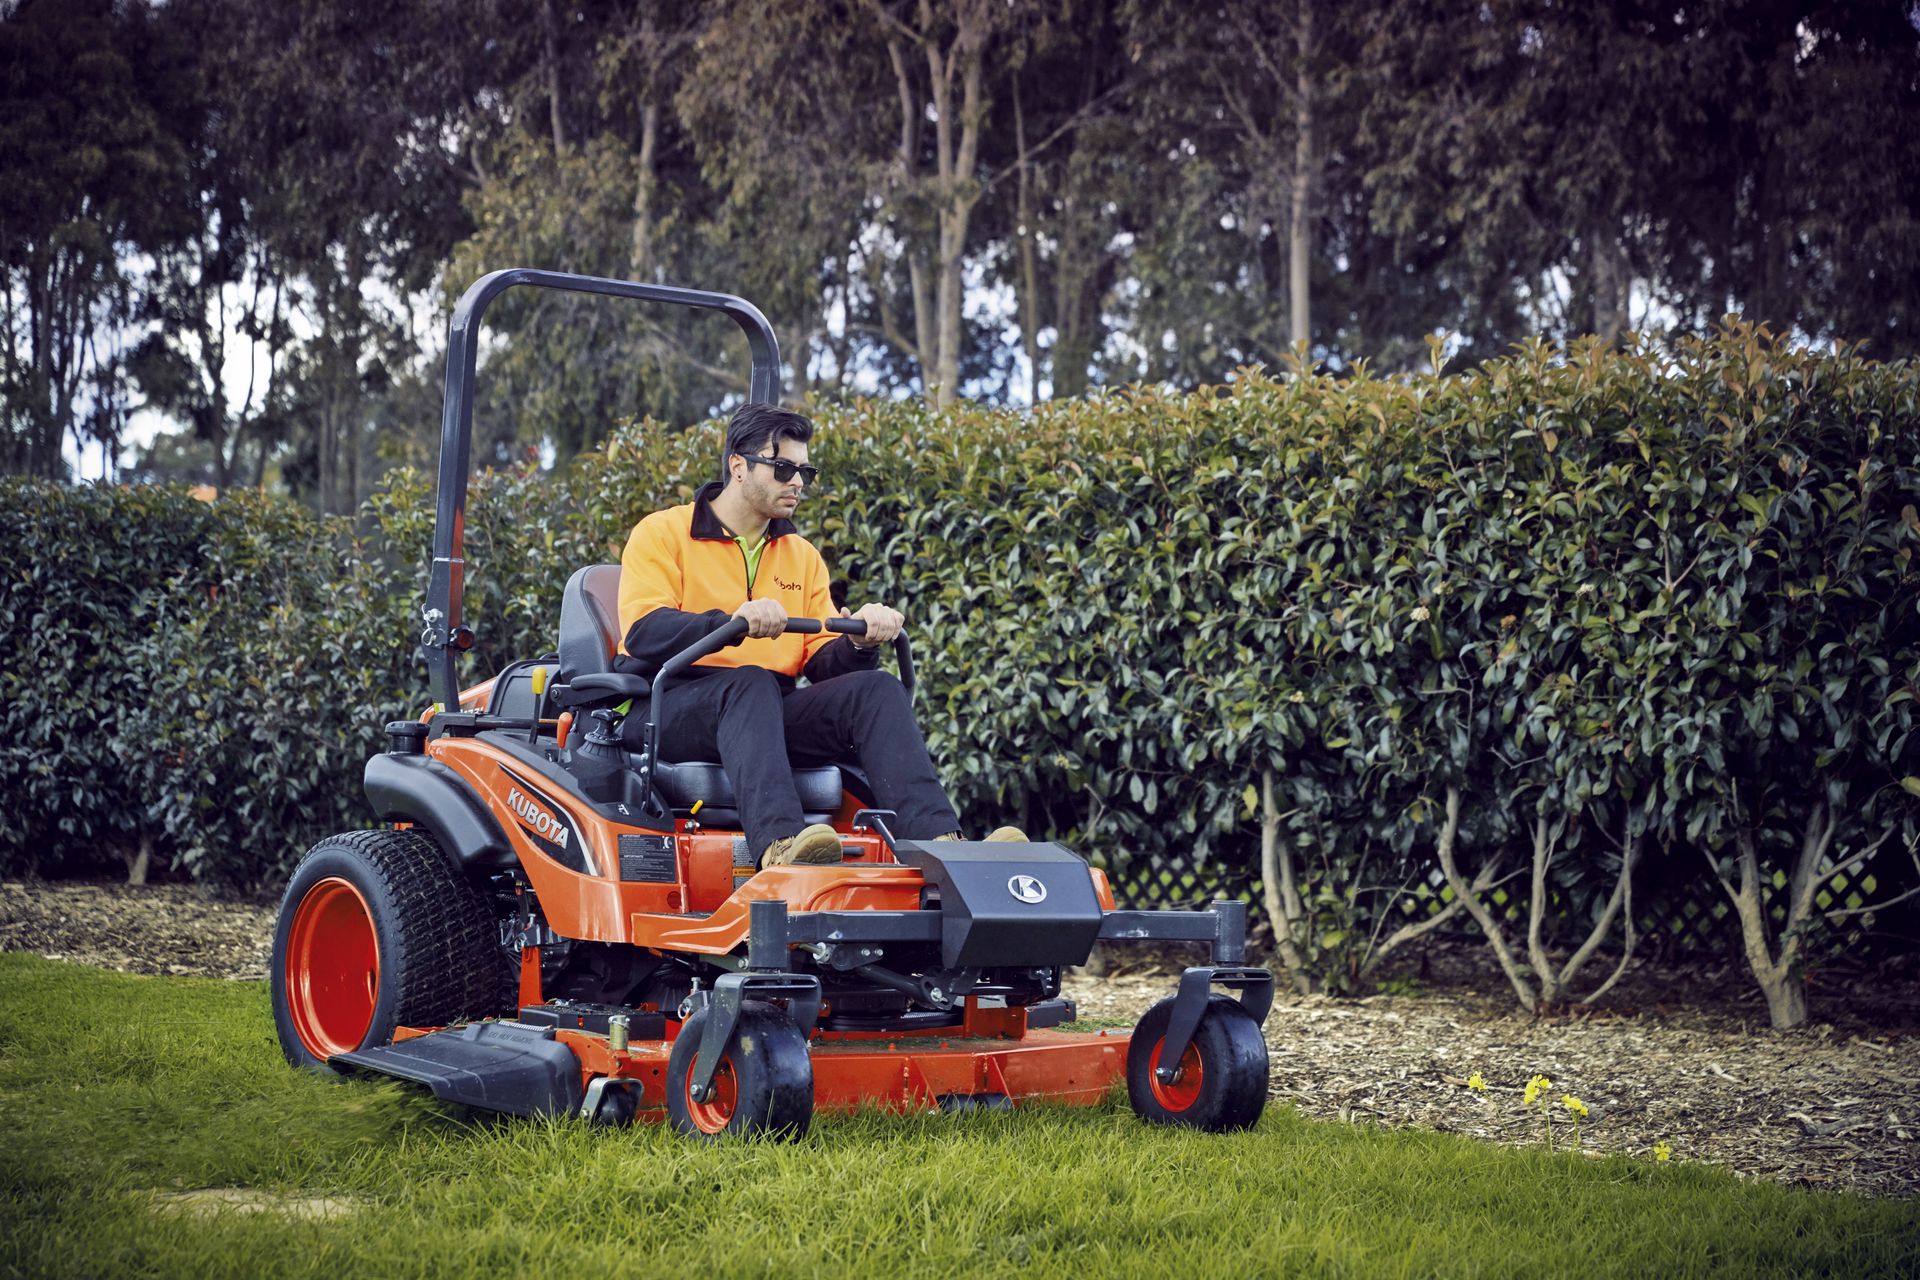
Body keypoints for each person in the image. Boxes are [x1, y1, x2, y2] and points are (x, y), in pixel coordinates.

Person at [615, 402, 1024, 866]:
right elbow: (646, 631)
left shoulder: (800, 555)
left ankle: (939, 846)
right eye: (784, 468)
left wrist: (858, 644)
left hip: (762, 709)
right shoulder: (664, 533)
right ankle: (781, 847)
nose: (797, 482)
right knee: (749, 682)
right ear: (738, 467)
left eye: (804, 471)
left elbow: (820, 662)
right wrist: (731, 622)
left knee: (876, 689)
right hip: (669, 705)